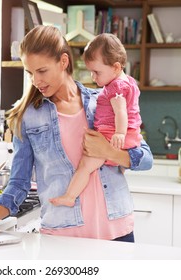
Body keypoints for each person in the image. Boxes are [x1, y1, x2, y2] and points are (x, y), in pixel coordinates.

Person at [0, 26, 152, 242]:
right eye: (30, 73)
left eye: (42, 71)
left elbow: (146, 159)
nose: (35, 80)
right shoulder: (27, 117)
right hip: (63, 236)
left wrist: (109, 152)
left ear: (63, 61)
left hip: (117, 231)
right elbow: (19, 182)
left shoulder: (104, 101)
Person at [50, 33, 142, 207]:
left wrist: (119, 133)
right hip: (129, 136)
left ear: (116, 67)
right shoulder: (129, 82)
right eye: (91, 72)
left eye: (96, 72)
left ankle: (70, 196)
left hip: (111, 136)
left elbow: (121, 112)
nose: (93, 77)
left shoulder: (115, 88)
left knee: (85, 165)